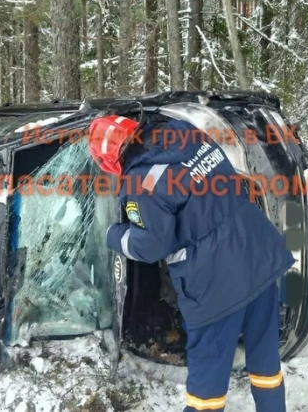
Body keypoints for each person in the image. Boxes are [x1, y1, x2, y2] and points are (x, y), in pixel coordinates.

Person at [87, 113, 295, 412]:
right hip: (258, 257)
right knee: (265, 361)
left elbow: (152, 246)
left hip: (215, 287)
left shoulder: (141, 183)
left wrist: (114, 234)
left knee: (206, 388)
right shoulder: (185, 133)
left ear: (108, 160)